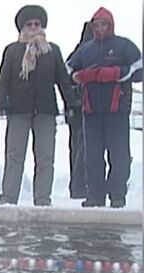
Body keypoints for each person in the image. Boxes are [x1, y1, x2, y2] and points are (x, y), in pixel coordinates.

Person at [0, 5, 78, 206]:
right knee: (14, 156)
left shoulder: (52, 51)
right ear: (21, 28)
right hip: (18, 110)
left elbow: (62, 80)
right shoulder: (12, 51)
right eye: (29, 24)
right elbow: (3, 78)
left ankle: (42, 200)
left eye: (37, 24)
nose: (33, 27)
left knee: (45, 157)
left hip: (45, 111)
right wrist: (0, 102)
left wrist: (71, 104)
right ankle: (8, 198)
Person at [67, 7, 142, 208]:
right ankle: (95, 196)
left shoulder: (124, 46)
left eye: (103, 24)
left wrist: (117, 73)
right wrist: (80, 77)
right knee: (92, 156)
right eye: (96, 25)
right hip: (91, 112)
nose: (100, 28)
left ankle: (117, 196)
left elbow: (139, 67)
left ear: (111, 25)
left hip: (117, 111)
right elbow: (68, 69)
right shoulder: (85, 49)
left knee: (119, 156)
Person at [64, 22, 93, 200]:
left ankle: (78, 188)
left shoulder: (76, 54)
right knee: (83, 148)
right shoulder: (83, 54)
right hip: (82, 108)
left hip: (76, 109)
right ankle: (80, 188)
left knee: (77, 148)